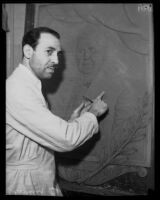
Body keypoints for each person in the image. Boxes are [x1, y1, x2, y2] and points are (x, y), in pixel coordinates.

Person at [6, 27, 108, 196]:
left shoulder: (27, 86)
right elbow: (65, 140)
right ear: (28, 51)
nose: (56, 61)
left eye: (57, 54)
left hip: (35, 179)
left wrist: (73, 121)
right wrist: (93, 114)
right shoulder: (18, 90)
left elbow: (37, 138)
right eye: (49, 52)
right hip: (22, 184)